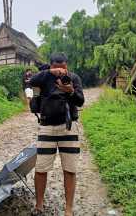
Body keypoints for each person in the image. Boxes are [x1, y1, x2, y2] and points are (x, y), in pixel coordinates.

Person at [29, 53, 84, 216]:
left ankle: (68, 209)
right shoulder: (45, 77)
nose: (60, 70)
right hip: (46, 127)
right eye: (56, 67)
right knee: (40, 168)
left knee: (70, 169)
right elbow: (30, 82)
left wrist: (71, 91)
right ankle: (39, 206)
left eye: (63, 67)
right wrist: (48, 73)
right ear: (51, 65)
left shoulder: (74, 78)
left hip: (69, 126)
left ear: (67, 65)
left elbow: (80, 101)